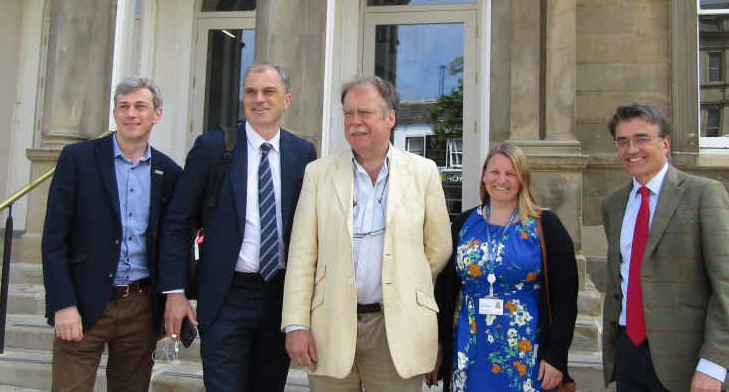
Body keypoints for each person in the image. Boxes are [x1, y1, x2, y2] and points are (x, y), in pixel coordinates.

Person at [282, 74, 452, 392]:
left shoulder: (423, 172)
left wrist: (403, 278)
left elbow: (439, 246)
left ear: (390, 118)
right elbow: (302, 256)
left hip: (396, 332)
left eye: (365, 113)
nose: (355, 122)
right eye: (348, 113)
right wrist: (296, 324)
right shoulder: (318, 174)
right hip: (328, 329)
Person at [158, 62, 317, 392]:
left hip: (280, 297)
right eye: (251, 92)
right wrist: (175, 292)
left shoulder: (302, 153)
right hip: (227, 296)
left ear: (286, 100)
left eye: (268, 92)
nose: (258, 99)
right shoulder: (213, 147)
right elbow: (177, 221)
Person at [42, 76, 182, 392]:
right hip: (84, 303)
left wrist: (168, 300)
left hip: (140, 306)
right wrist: (62, 305)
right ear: (115, 113)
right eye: (124, 107)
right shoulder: (77, 159)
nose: (131, 114)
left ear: (156, 114)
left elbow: (173, 242)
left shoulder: (170, 173)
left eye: (140, 107)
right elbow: (54, 240)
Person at [601, 103, 729, 392]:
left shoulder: (704, 193)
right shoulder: (613, 205)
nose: (631, 149)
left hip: (686, 359)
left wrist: (713, 365)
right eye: (623, 142)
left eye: (642, 139)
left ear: (665, 143)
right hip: (628, 352)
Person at [432, 142, 578, 392]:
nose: (502, 180)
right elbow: (444, 290)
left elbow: (566, 297)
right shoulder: (464, 224)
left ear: (522, 179)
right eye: (494, 172)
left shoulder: (545, 226)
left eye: (511, 174)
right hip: (469, 344)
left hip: (526, 346)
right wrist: (438, 346)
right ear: (484, 176)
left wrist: (556, 357)